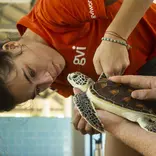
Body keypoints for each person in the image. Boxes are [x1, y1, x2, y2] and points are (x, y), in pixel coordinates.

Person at [0, 0, 155, 155]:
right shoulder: (59, 80)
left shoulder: (53, 10)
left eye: (31, 73)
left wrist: (116, 36)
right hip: (143, 87)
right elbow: (114, 97)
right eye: (38, 90)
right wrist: (94, 116)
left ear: (12, 47)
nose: (47, 79)